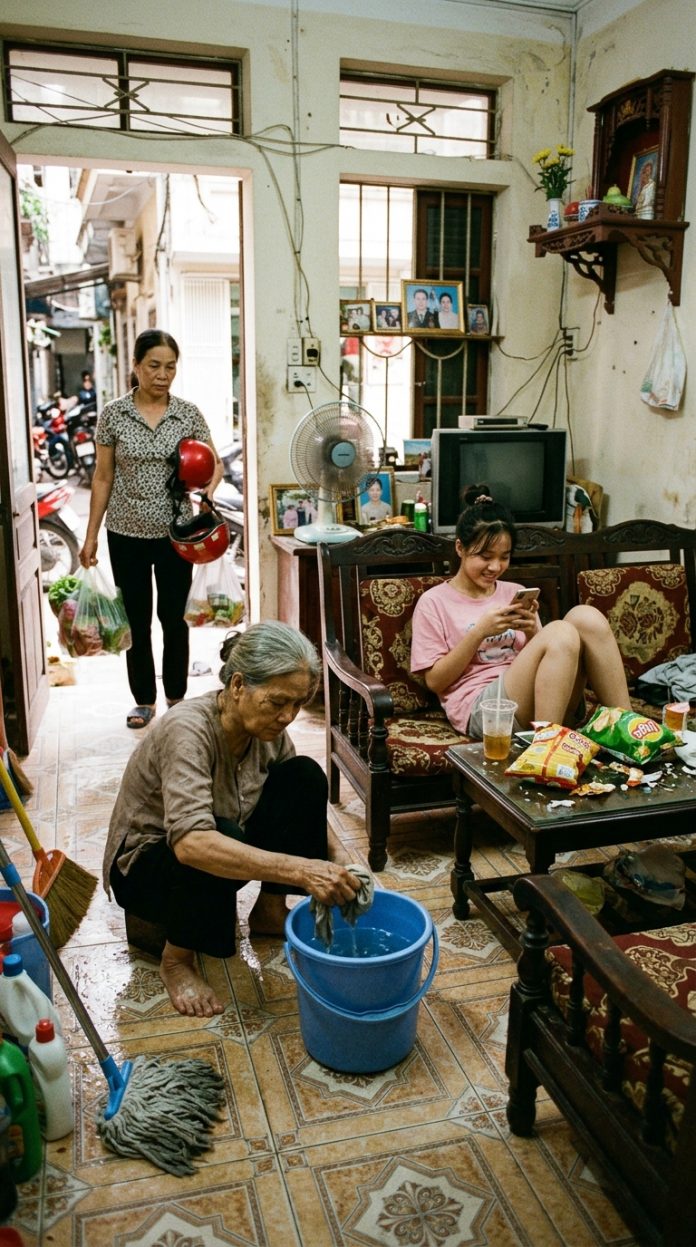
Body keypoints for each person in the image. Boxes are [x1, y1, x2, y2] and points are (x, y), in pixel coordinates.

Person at [103, 622, 361, 1017]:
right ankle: (176, 960)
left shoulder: (269, 731)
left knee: (305, 776)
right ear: (238, 685)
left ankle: (269, 911)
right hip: (146, 868)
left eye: (297, 704)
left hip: (221, 839)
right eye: (278, 702)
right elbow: (191, 845)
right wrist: (302, 869)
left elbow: (299, 800)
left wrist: (339, 856)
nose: (288, 716)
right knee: (213, 834)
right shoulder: (188, 729)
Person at [79, 328, 224, 730]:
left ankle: (176, 696)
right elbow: (103, 477)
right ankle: (143, 699)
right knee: (136, 619)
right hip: (125, 532)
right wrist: (90, 536)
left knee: (174, 618)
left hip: (176, 534)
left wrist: (206, 490)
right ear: (137, 366)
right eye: (154, 366)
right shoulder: (114, 414)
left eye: (170, 367)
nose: (163, 375)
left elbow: (214, 464)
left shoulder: (187, 414)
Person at [410, 485, 632, 738]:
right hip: (485, 710)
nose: (495, 567)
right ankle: (545, 746)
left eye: (504, 557)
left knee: (585, 617)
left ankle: (629, 731)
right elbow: (435, 682)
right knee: (560, 630)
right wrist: (479, 633)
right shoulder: (434, 602)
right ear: (460, 548)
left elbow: (552, 658)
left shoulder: (514, 592)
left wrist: (533, 632)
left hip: (545, 700)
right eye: (485, 556)